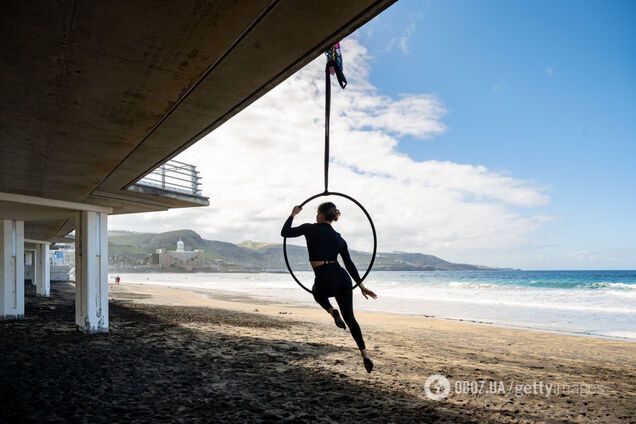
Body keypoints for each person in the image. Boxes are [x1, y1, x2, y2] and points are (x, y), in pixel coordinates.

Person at [281, 202, 378, 373]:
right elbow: (349, 264)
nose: (315, 216)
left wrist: (293, 214)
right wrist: (361, 286)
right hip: (343, 278)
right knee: (351, 318)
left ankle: (332, 311)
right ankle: (365, 355)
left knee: (316, 291)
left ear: (321, 214)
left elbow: (285, 233)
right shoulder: (339, 238)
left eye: (317, 212)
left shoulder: (310, 228)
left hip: (325, 277)